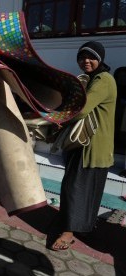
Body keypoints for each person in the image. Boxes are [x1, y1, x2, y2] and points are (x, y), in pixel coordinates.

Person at [50, 41, 117, 250]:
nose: (85, 61)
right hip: (83, 144)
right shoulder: (91, 79)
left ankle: (68, 233)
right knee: (80, 189)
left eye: (90, 57)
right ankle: (78, 225)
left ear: (100, 58)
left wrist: (55, 119)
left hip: (93, 148)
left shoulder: (104, 80)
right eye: (81, 57)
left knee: (76, 189)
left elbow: (82, 109)